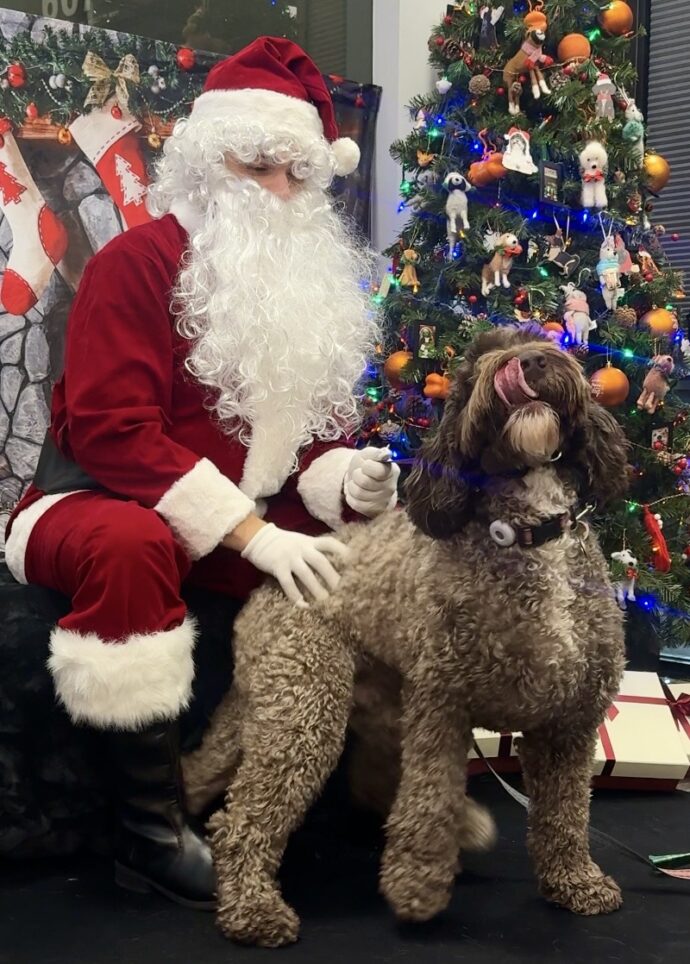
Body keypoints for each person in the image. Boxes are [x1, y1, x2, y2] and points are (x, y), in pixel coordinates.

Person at [4, 37, 399, 909]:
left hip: (234, 524)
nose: (279, 192)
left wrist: (349, 479)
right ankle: (148, 829)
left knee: (373, 551)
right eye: (257, 165)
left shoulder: (307, 286)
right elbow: (111, 432)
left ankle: (381, 788)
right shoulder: (134, 266)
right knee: (132, 543)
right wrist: (254, 533)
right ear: (205, 162)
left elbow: (316, 442)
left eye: (296, 175)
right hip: (90, 500)